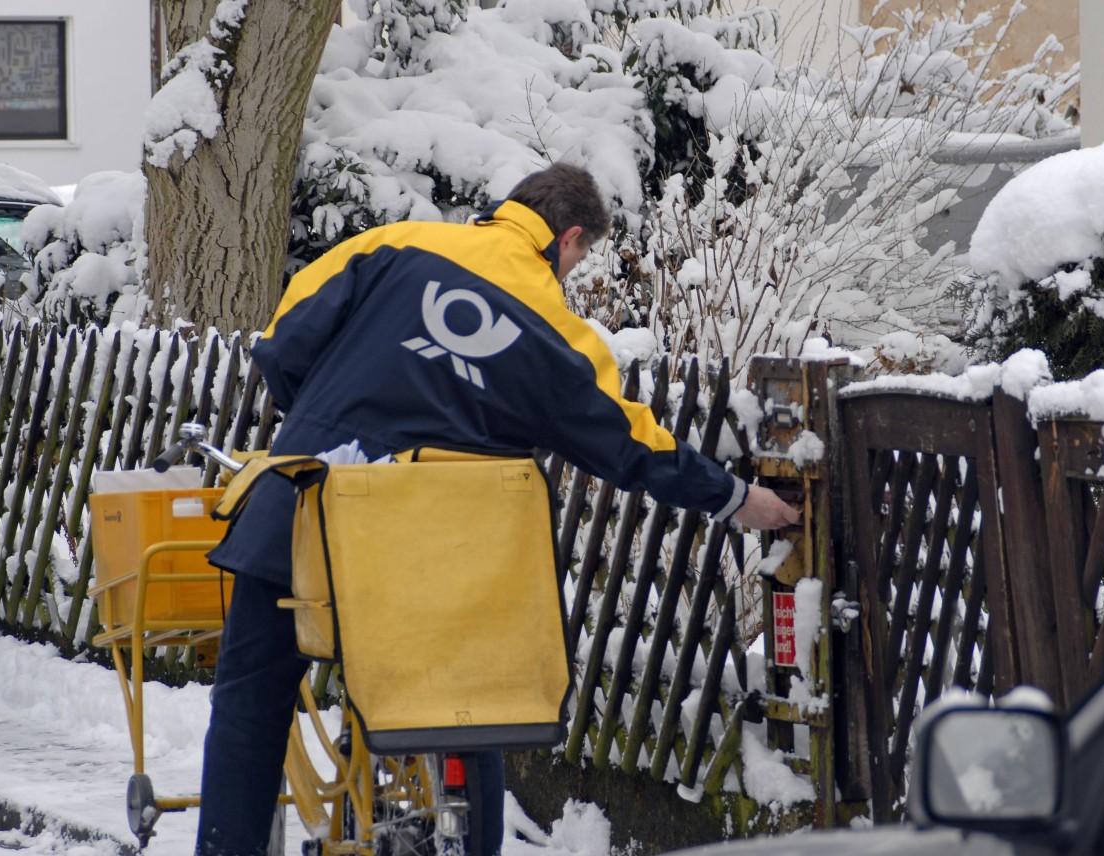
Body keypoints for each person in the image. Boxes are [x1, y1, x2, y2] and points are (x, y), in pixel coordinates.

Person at [196, 163, 799, 855]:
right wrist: (736, 499)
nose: (571, 273)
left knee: (251, 699)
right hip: (437, 553)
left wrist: (336, 420)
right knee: (461, 714)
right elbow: (635, 448)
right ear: (567, 238)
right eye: (579, 257)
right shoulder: (557, 333)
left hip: (303, 513)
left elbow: (281, 342)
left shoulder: (392, 244)